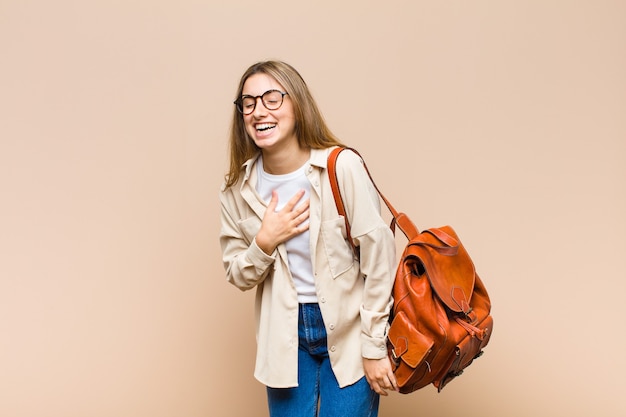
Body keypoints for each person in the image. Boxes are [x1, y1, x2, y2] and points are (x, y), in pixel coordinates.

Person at [219, 60, 398, 417]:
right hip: (283, 340)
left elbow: (380, 257)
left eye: (272, 98)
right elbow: (237, 274)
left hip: (349, 331)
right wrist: (265, 241)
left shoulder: (340, 166)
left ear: (296, 105)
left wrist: (374, 344)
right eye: (248, 103)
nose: (258, 111)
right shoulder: (237, 190)